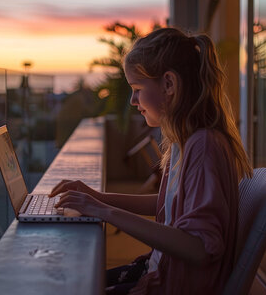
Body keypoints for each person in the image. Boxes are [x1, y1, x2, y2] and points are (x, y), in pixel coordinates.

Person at [49, 27, 252, 294]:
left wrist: (103, 212)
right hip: (160, 272)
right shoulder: (189, 141)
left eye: (137, 88)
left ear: (169, 84)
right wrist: (96, 198)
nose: (133, 100)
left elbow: (200, 246)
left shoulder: (203, 147)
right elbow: (167, 204)